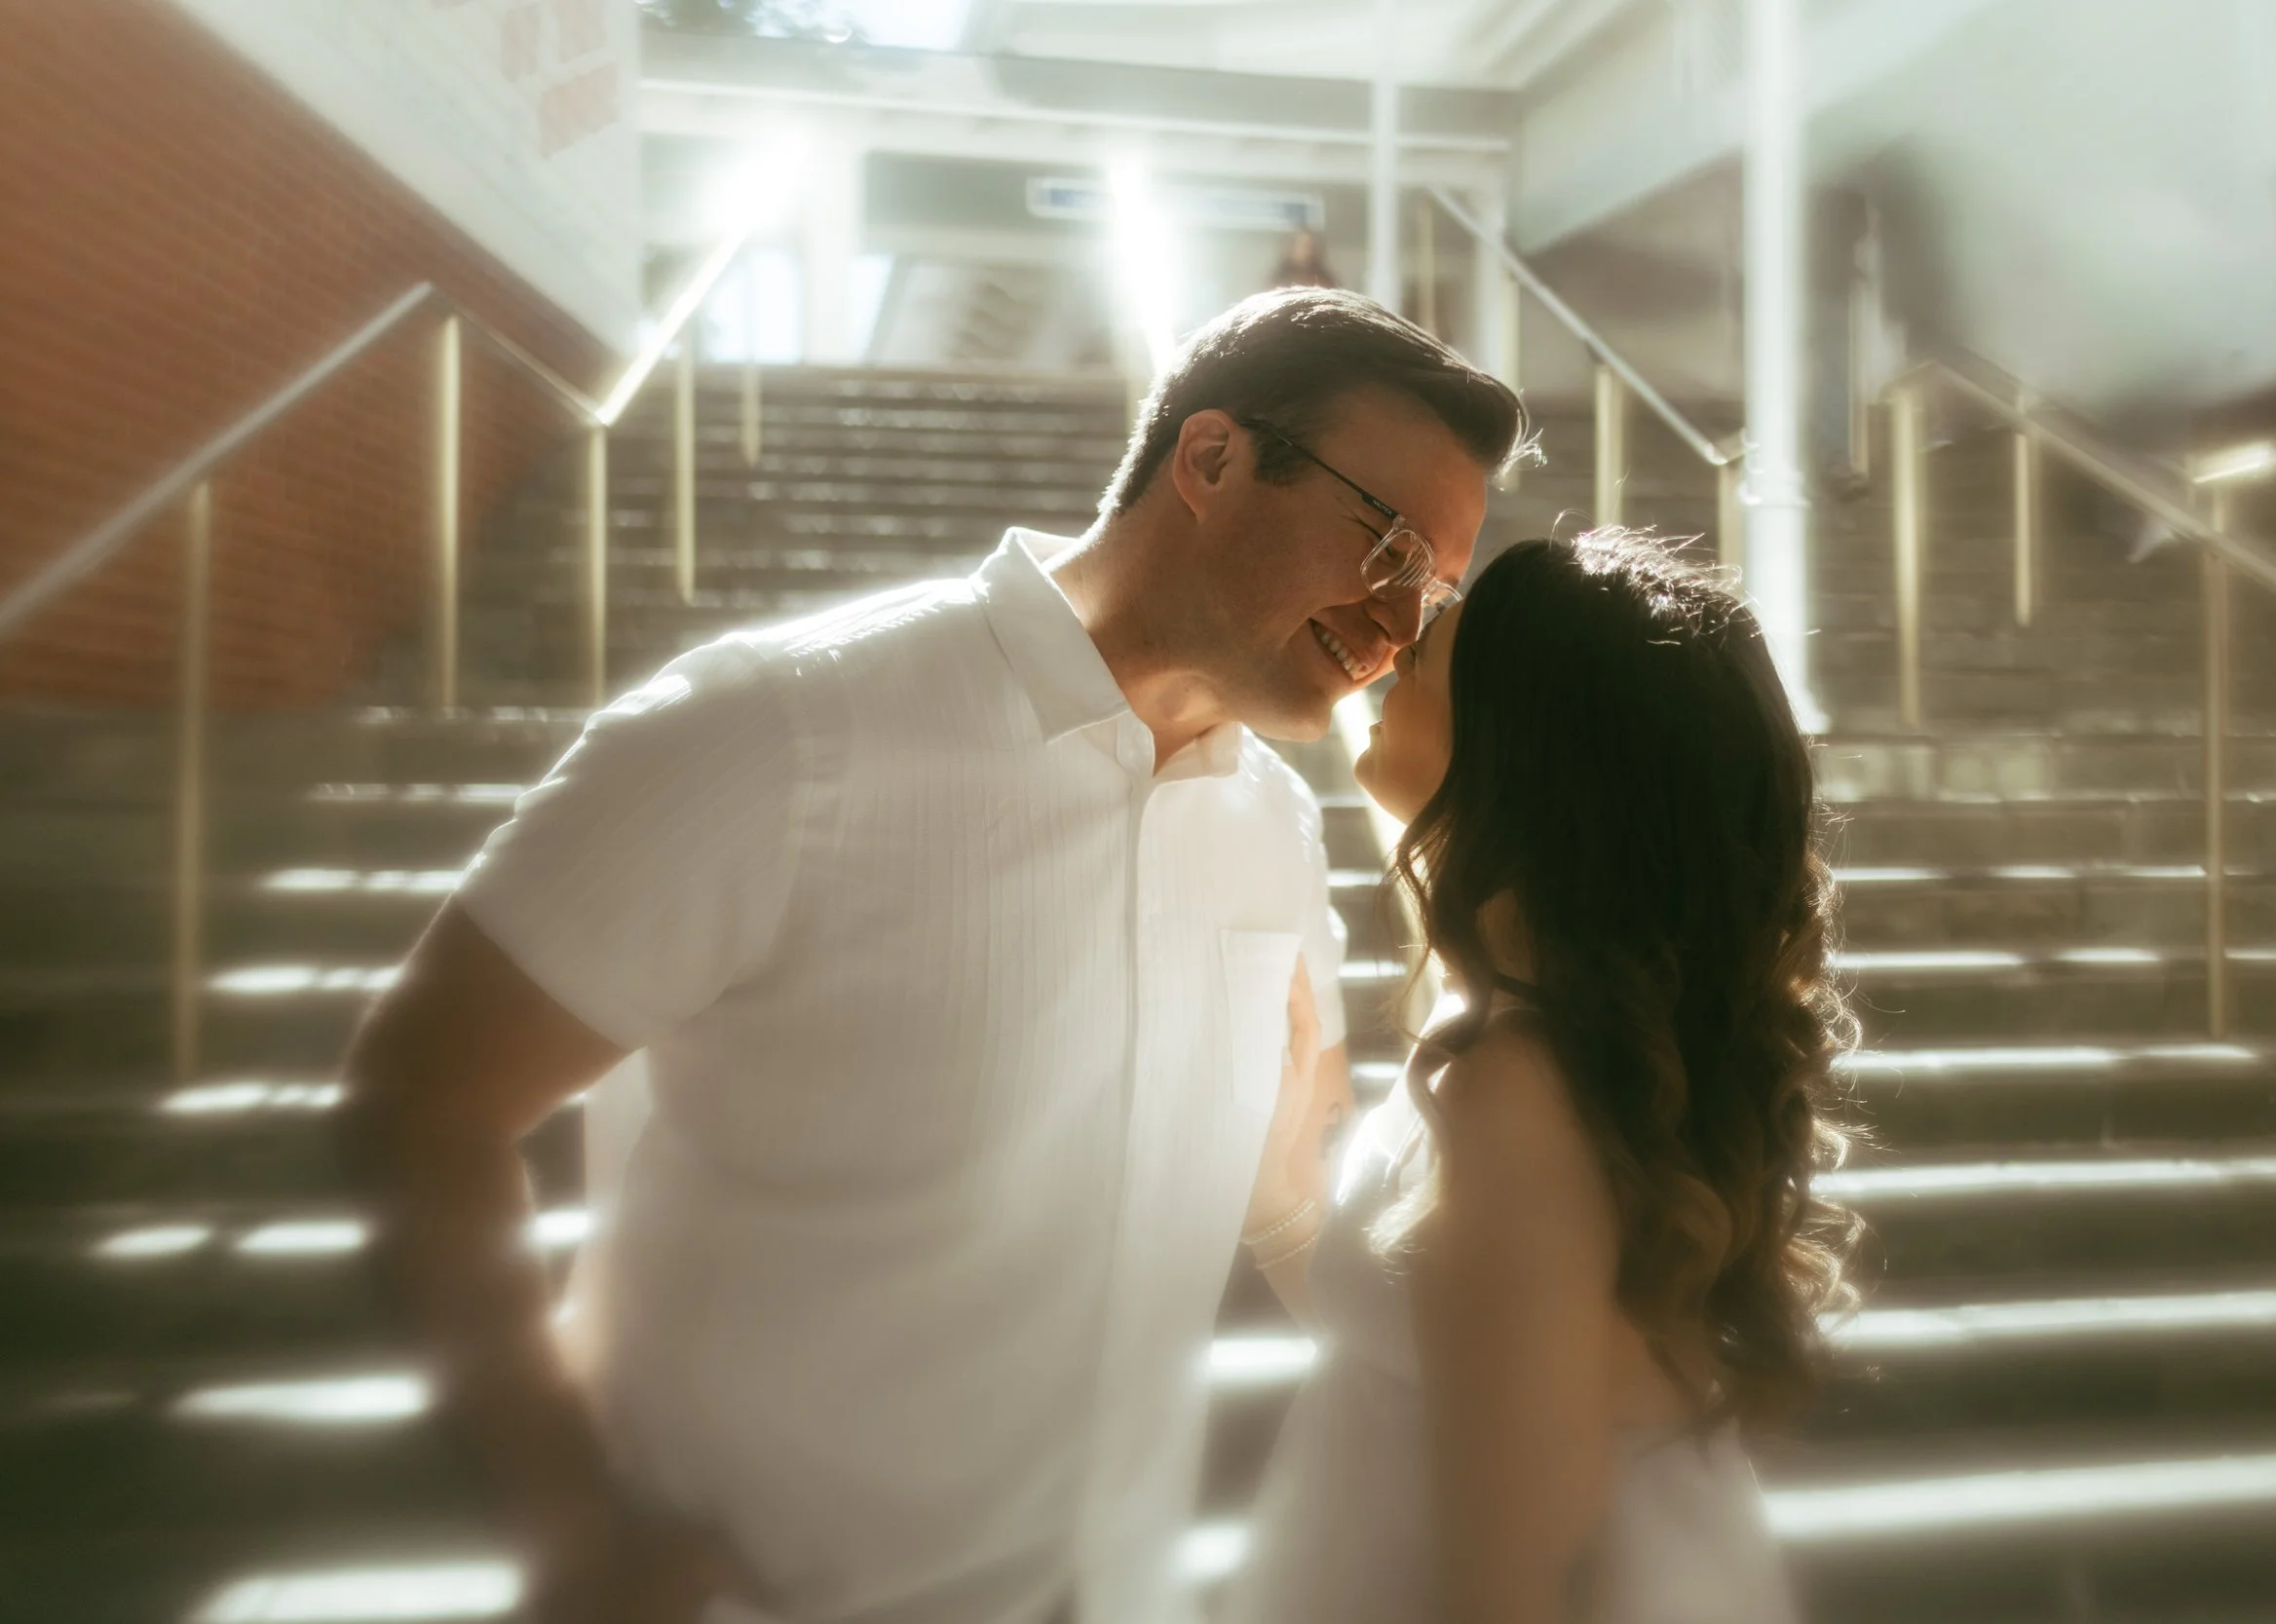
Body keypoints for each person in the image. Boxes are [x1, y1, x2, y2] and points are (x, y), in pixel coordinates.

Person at [336, 285, 1529, 1624]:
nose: (1399, 623)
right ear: (1210, 460)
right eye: (1385, 545)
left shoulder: (1279, 826)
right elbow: (421, 1093)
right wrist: (569, 1518)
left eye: (1435, 588)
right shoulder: (784, 727)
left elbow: (1282, 1191)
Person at [1226, 534, 1863, 1624]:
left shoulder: (1518, 1087)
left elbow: (1515, 1580)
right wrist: (1284, 1194)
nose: (1391, 654)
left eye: (1433, 650)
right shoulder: (1528, 1035)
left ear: (1529, 748)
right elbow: (1425, 1367)